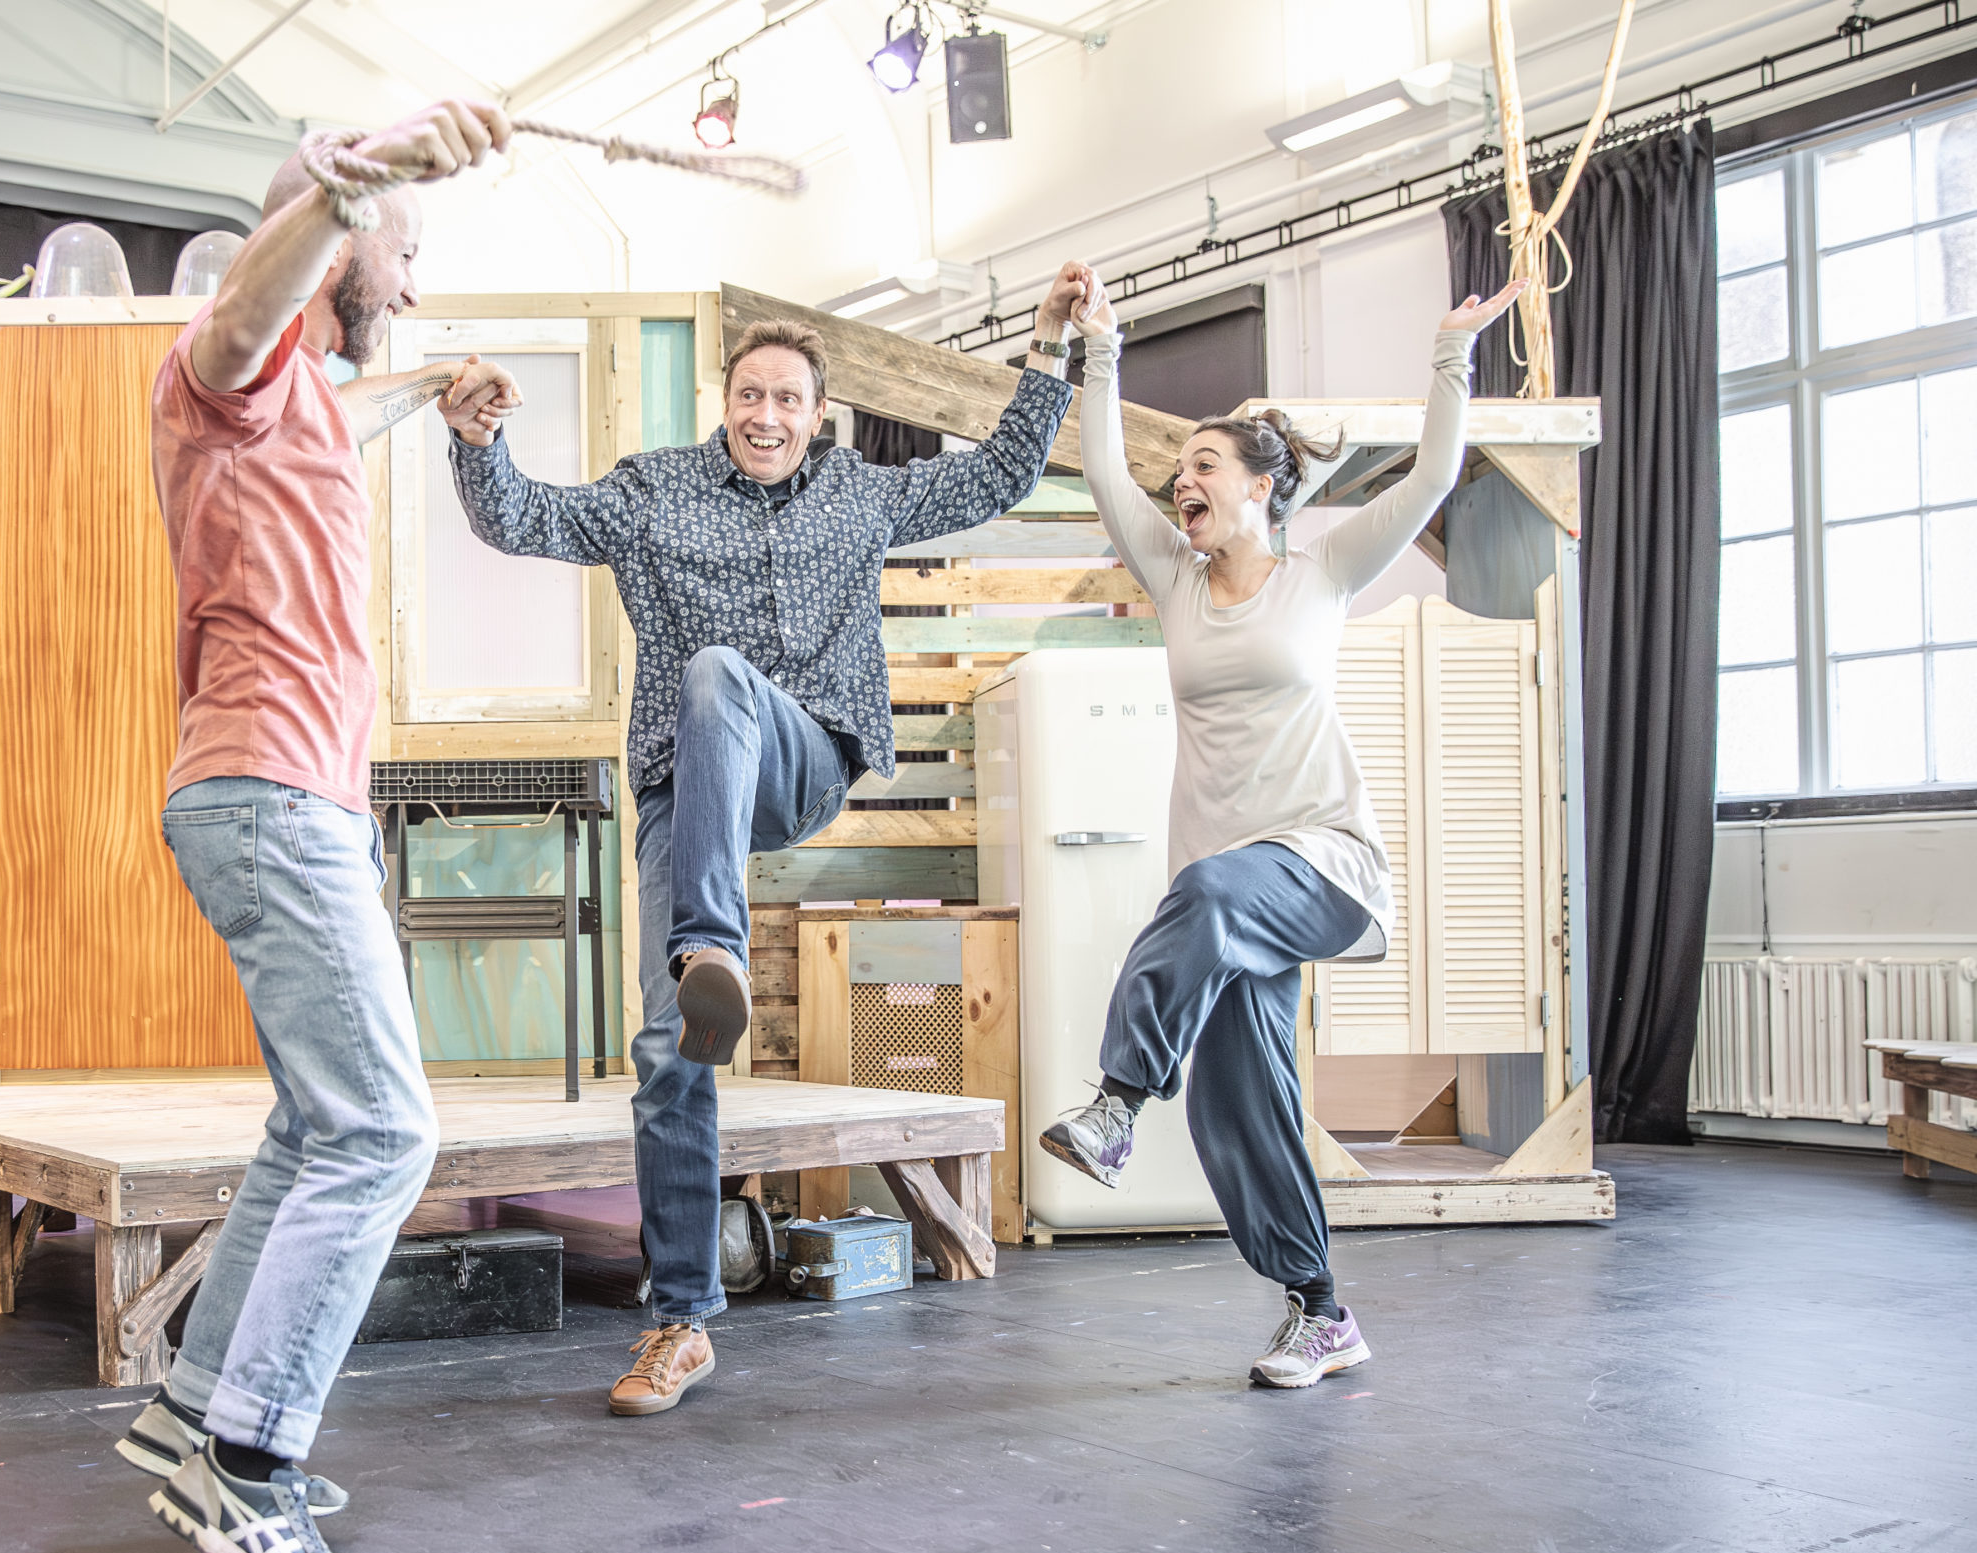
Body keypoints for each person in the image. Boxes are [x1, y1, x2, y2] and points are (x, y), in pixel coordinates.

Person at [448, 272, 1094, 1417]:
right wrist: (480, 442)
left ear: (817, 412)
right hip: (679, 790)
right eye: (749, 396)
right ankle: (681, 1321)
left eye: (787, 400)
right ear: (725, 400)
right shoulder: (654, 493)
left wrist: (1047, 349)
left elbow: (997, 473)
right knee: (665, 1047)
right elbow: (524, 518)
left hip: (798, 762)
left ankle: (712, 944)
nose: (765, 417)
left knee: (716, 676)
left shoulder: (859, 495)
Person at [118, 100, 524, 1553]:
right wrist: (366, 174)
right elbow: (246, 304)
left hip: (292, 804)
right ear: (341, 236)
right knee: (385, 1132)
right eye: (401, 254)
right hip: (270, 796)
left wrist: (431, 386)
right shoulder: (223, 371)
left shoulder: (302, 406)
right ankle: (251, 1458)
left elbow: (354, 396)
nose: (408, 283)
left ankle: (195, 1402)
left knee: (317, 1122)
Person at [1039, 261, 1526, 1389]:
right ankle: (1321, 1310)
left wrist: (1451, 351)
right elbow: (1105, 465)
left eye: (1204, 464)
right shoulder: (1173, 577)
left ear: (1262, 488)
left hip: (1323, 862)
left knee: (1206, 890)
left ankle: (1114, 1104)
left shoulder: (1323, 572)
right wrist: (1099, 345)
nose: (1181, 480)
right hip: (1228, 901)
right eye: (1182, 469)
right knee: (1238, 1107)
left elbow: (1439, 470)